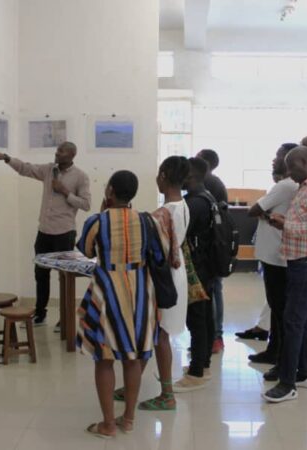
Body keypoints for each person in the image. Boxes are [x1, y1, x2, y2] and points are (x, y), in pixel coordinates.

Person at [77, 170, 163, 438]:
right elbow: (158, 255)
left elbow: (85, 251)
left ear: (110, 191)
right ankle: (128, 419)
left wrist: (104, 214)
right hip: (140, 290)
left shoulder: (97, 221)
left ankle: (107, 424)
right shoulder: (148, 221)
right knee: (133, 355)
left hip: (107, 290)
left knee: (104, 358)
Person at [113, 156, 191, 410]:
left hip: (162, 276)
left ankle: (167, 395)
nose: (156, 179)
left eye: (159, 174)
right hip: (174, 274)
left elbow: (147, 247)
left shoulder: (163, 213)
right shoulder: (183, 205)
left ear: (165, 175)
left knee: (159, 335)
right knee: (156, 333)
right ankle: (133, 385)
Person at [0, 143, 91, 328]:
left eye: (61, 151)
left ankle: (64, 318)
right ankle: (40, 314)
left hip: (64, 233)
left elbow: (85, 204)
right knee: (40, 274)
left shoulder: (80, 177)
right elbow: (27, 169)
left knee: (65, 277)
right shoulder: (49, 170)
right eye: (57, 150)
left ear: (72, 155)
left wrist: (65, 192)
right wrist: (6, 158)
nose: (56, 153)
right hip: (44, 231)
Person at [262, 146, 307, 403]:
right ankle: (306, 373)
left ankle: (287, 382)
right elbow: (306, 218)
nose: (289, 172)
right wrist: (283, 220)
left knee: (292, 320)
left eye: (293, 167)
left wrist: (287, 224)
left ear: (305, 162)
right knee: (303, 319)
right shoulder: (306, 184)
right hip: (297, 258)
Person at [247, 144, 300, 379]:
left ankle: (278, 356)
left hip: (277, 257)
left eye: (278, 156)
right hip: (274, 255)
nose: (274, 160)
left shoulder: (284, 186)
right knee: (277, 309)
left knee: (279, 311)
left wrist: (263, 212)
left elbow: (254, 209)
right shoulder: (286, 185)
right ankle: (273, 350)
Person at [173, 157, 216, 392]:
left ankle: (197, 371)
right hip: (207, 266)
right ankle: (205, 364)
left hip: (196, 269)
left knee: (197, 319)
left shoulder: (192, 204)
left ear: (189, 176)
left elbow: (177, 234)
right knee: (205, 317)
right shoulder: (207, 197)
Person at [196, 148, 228, 353]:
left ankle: (215, 336)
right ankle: (215, 337)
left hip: (211, 246)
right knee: (215, 289)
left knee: (214, 289)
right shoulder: (215, 182)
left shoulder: (209, 184)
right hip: (215, 244)